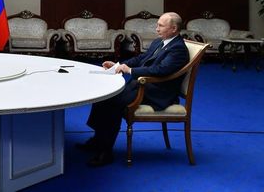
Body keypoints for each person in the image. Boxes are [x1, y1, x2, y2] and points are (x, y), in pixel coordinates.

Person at [77, 12, 189, 167]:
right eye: (157, 25)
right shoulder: (159, 42)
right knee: (103, 96)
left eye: (161, 26)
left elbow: (161, 70)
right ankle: (98, 140)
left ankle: (105, 151)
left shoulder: (178, 49)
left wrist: (130, 71)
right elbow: (141, 59)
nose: (157, 29)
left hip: (157, 92)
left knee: (113, 102)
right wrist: (118, 66)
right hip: (142, 85)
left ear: (174, 29)